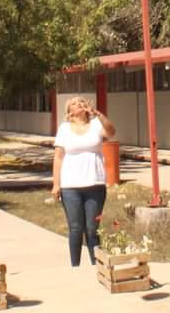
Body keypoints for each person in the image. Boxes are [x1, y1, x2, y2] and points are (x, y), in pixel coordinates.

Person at [51, 96, 116, 266]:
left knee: (92, 229)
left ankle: (97, 266)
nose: (79, 104)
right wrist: (56, 184)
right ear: (69, 112)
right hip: (70, 186)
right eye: (74, 103)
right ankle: (76, 267)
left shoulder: (96, 124)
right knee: (75, 228)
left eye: (81, 101)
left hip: (95, 184)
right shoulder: (64, 128)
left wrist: (98, 115)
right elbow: (58, 157)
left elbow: (111, 132)